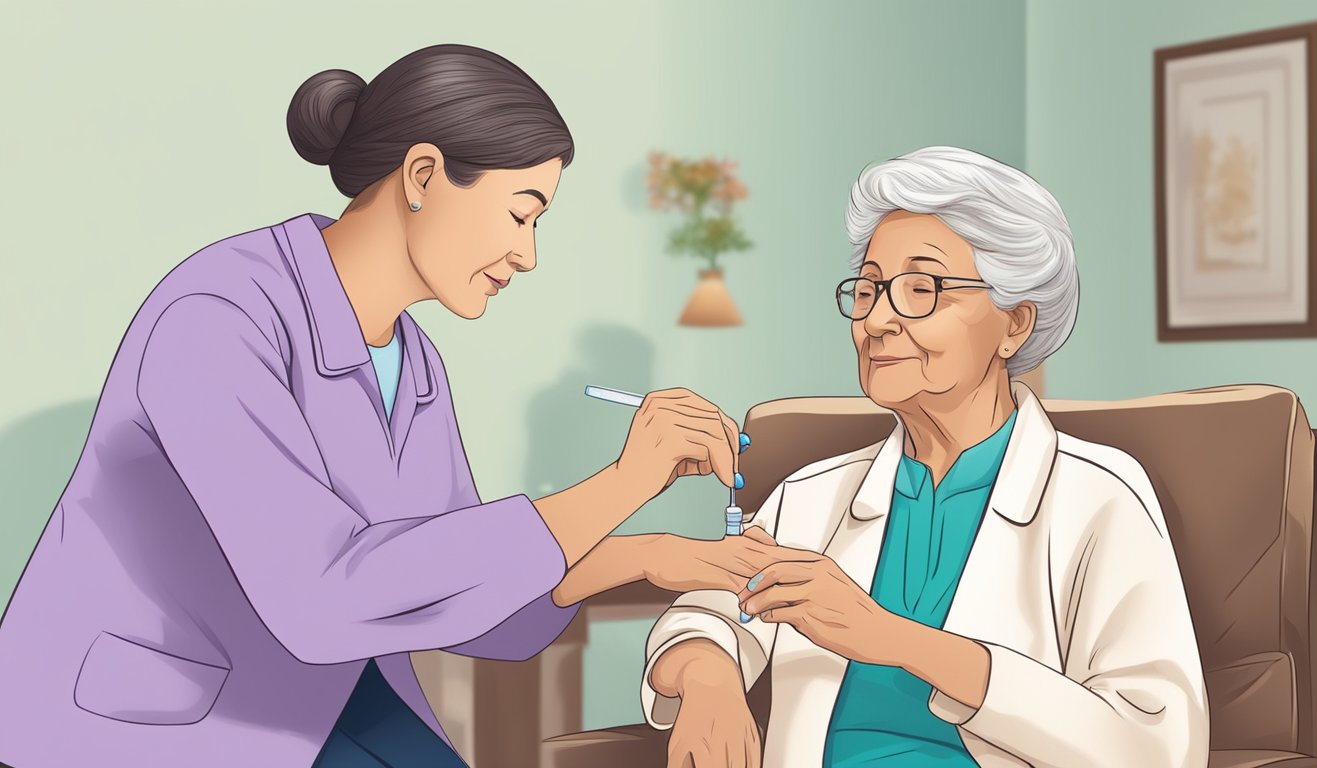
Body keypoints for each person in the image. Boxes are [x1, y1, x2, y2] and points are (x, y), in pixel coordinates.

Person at [0, 44, 798, 768]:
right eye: (521, 213)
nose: (526, 254)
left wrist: (642, 552)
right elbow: (320, 598)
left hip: (319, 704)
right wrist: (623, 483)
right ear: (422, 177)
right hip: (154, 725)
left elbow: (462, 601)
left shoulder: (413, 363)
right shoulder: (216, 317)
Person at [640, 147, 1210, 768]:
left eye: (921, 289)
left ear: (1014, 325)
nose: (877, 320)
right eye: (868, 289)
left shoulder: (1099, 496)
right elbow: (704, 615)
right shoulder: (813, 496)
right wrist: (711, 681)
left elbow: (1157, 747)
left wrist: (893, 639)